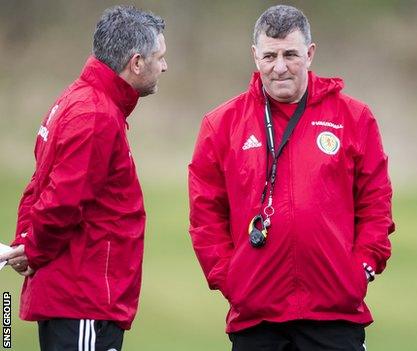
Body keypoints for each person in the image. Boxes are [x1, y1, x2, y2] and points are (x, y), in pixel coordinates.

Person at [188, 5, 394, 351]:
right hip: (257, 318)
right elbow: (205, 214)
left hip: (334, 314)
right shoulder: (221, 125)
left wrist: (362, 268)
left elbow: (376, 203)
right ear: (255, 56)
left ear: (310, 54)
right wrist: (230, 278)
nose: (279, 67)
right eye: (269, 55)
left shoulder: (354, 118)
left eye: (290, 54)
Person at [0, 5, 167, 351]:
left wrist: (26, 243)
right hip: (84, 299)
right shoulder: (96, 114)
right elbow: (61, 200)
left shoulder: (78, 99)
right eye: (159, 57)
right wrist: (31, 248)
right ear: (136, 63)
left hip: (76, 299)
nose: (163, 66)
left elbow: (38, 185)